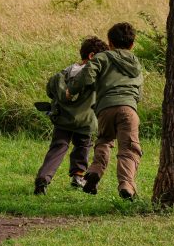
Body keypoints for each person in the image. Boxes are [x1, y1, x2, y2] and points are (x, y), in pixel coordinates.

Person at [66, 22, 143, 200]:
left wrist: (73, 90)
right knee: (129, 148)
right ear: (132, 45)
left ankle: (94, 171)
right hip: (129, 108)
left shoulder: (102, 58)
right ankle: (126, 184)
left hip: (105, 109)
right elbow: (139, 89)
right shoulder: (135, 63)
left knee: (104, 141)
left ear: (109, 42)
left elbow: (87, 73)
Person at [34, 36, 109, 195]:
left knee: (58, 148)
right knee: (83, 147)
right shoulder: (93, 76)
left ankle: (43, 177)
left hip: (62, 120)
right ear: (91, 56)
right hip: (85, 120)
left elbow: (50, 92)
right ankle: (78, 176)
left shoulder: (63, 74)